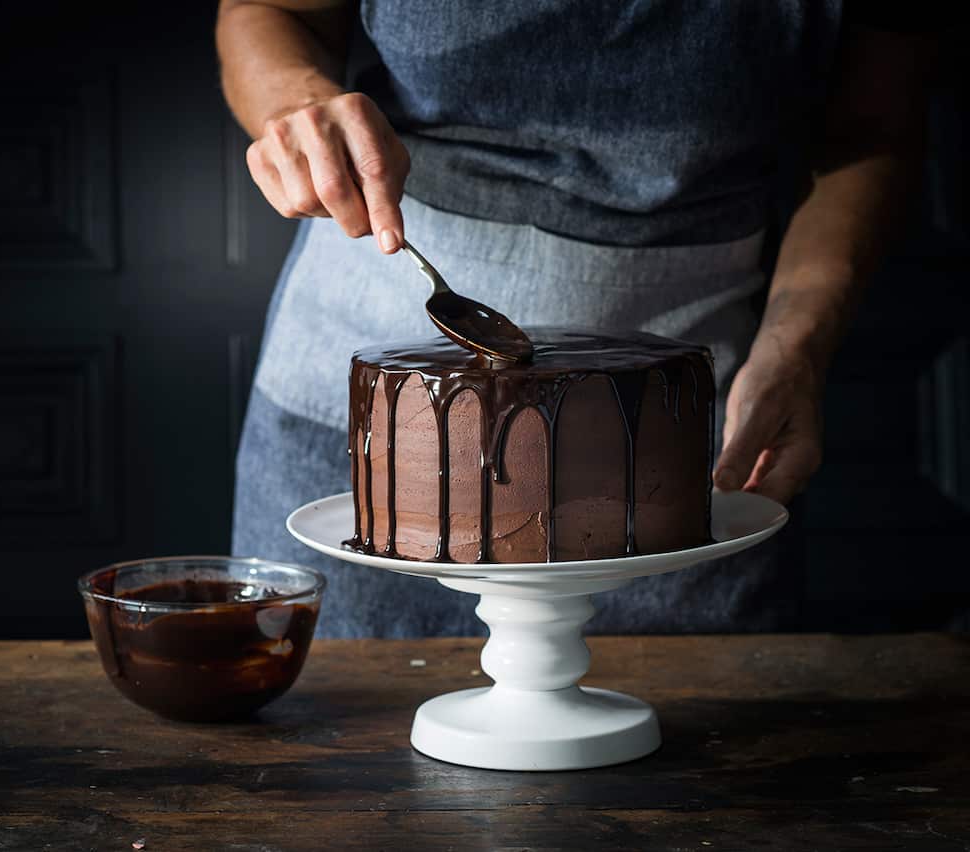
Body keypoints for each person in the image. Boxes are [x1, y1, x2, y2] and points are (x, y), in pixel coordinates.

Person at [216, 1, 935, 637]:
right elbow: (267, 11)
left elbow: (873, 129)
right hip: (367, 436)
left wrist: (798, 344)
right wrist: (296, 101)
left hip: (662, 462)